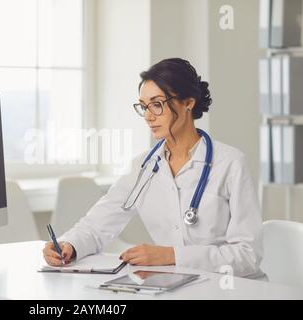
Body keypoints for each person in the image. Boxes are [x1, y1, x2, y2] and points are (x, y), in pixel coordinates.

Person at [43, 58, 263, 278]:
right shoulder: (143, 167)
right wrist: (69, 245)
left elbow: (248, 255)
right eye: (144, 106)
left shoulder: (230, 163)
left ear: (188, 102)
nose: (148, 116)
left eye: (157, 104)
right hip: (177, 284)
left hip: (231, 288)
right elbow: (97, 226)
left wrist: (172, 256)